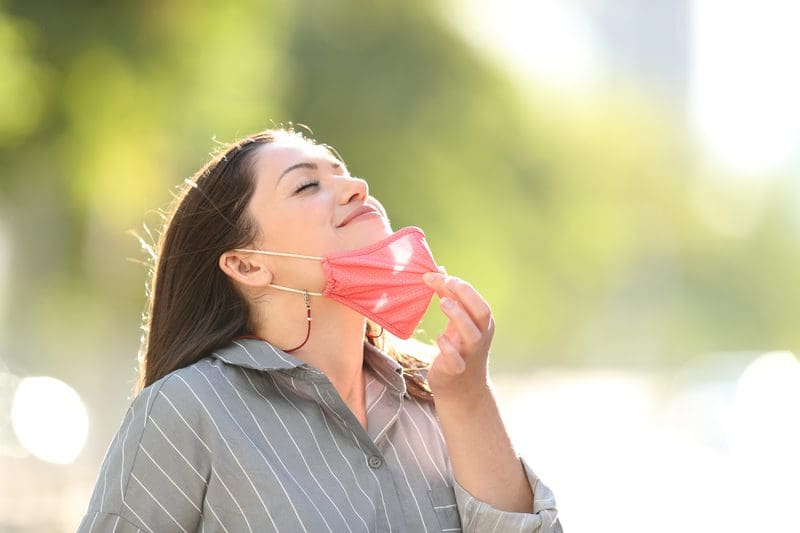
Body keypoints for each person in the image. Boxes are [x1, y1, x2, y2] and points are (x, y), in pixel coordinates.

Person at [76, 127, 562, 532]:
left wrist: (469, 398)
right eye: (307, 186)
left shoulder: (436, 396)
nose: (357, 187)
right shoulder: (190, 408)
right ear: (247, 265)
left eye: (343, 173)